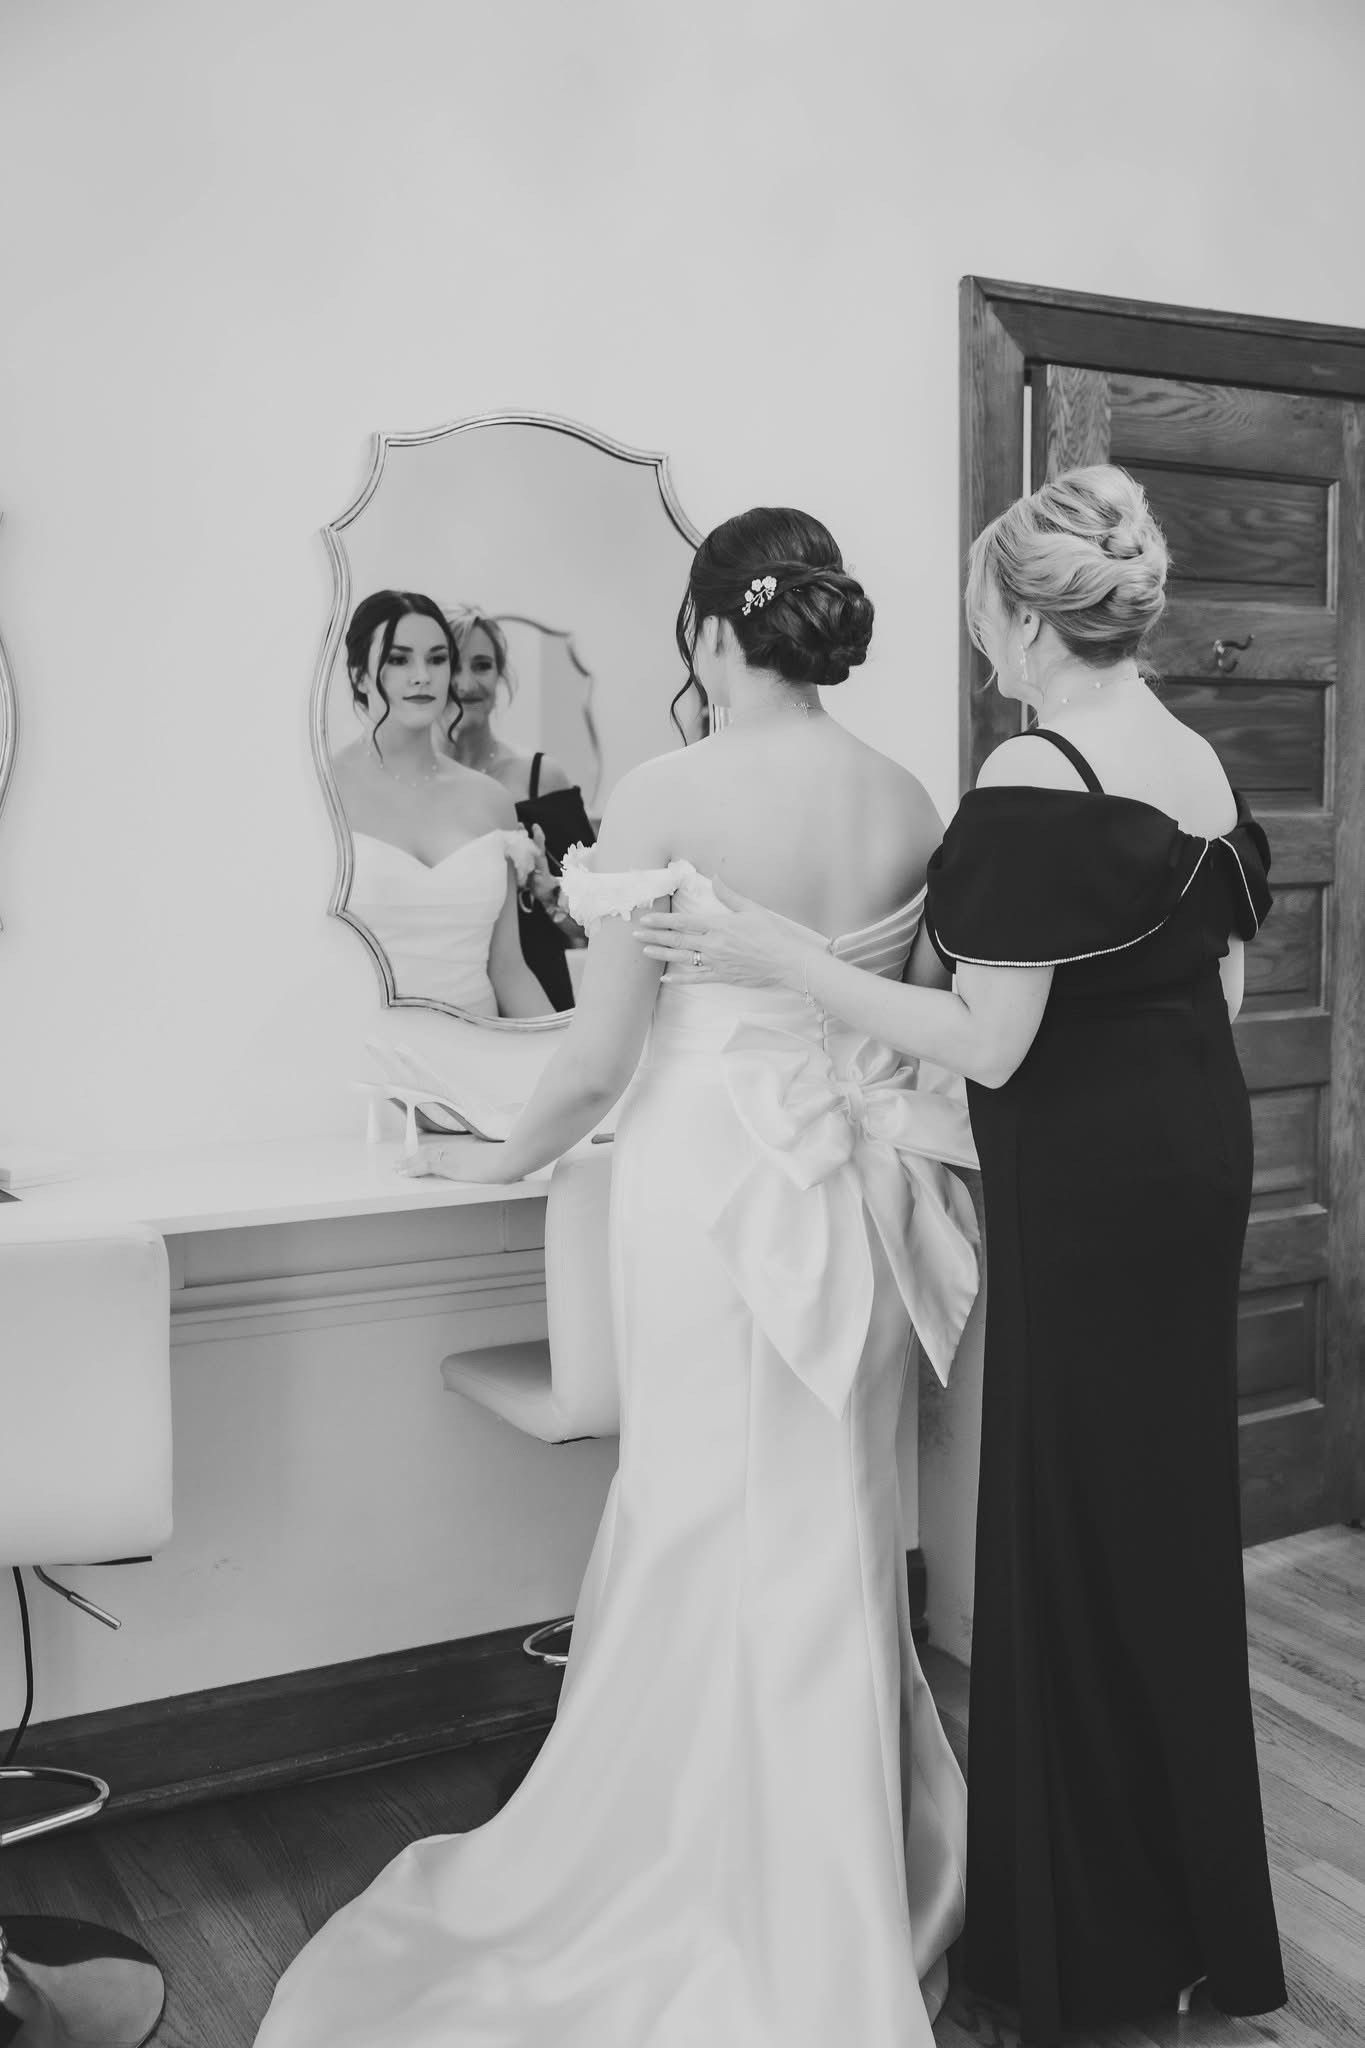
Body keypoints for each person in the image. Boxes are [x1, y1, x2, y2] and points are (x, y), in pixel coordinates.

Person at [255, 509, 982, 2048]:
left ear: (712, 632)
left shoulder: (668, 789)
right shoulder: (912, 795)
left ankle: (701, 1887)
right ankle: (839, 1882)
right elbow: (896, 1021)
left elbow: (594, 1063)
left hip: (712, 1193)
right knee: (836, 1524)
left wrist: (492, 1161)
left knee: (703, 1513)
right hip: (854, 1194)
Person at [636, 467, 1288, 2046]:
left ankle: (1091, 1958)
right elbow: (1225, 996)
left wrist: (775, 955)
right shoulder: (1194, 757)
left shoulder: (1033, 760)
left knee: (1063, 1536)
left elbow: (987, 1045)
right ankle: (1201, 1925)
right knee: (1166, 1529)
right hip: (1193, 1163)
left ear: (1015, 610)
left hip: (1086, 1183)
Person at [331, 590, 550, 1019]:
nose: (422, 676)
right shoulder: (324, 791)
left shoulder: (491, 801)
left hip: (478, 1054)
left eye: (436, 659)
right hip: (360, 1055)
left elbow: (508, 968)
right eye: (398, 659)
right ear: (359, 676)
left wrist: (562, 1052)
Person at [437, 604, 596, 1010]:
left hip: (538, 989)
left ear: (501, 675)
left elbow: (596, 923)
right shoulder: (409, 788)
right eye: (451, 665)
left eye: (482, 665)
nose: (466, 682)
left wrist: (551, 889)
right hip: (445, 992)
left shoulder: (543, 778)